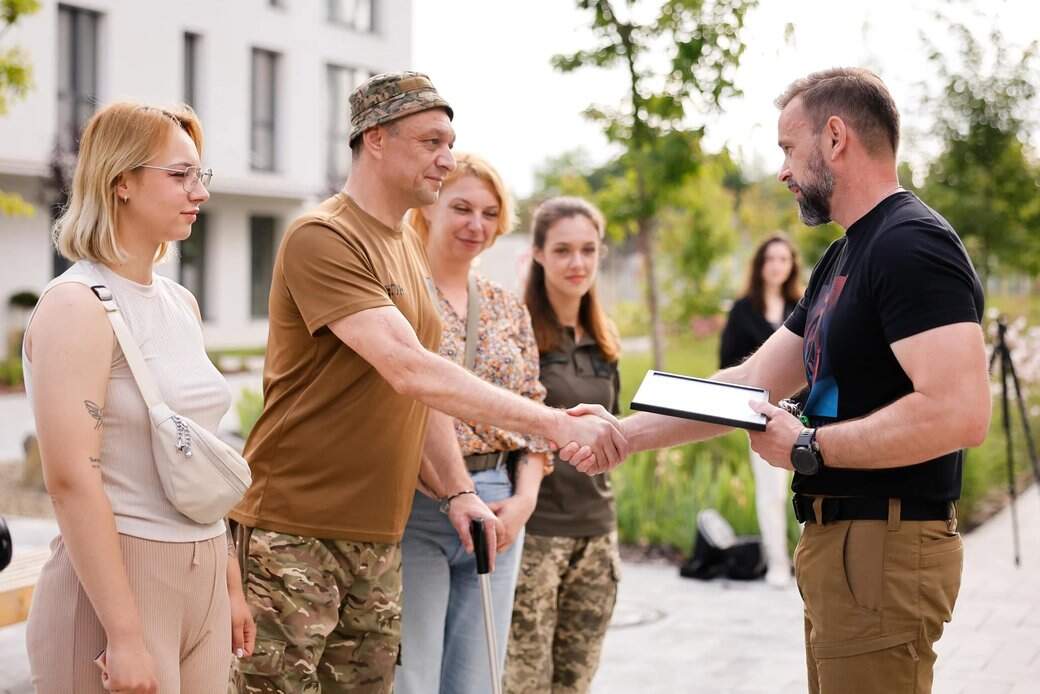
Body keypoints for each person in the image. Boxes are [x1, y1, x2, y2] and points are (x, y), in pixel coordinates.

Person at [566, 68, 990, 694]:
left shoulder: (910, 245)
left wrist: (808, 448)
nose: (783, 171)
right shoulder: (845, 255)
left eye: (790, 149)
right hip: (844, 547)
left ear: (836, 137)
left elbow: (961, 412)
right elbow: (749, 381)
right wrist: (625, 435)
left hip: (885, 548)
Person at [229, 72, 625, 694]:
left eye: (450, 142)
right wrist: (549, 421)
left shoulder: (404, 251)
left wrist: (457, 493)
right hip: (295, 529)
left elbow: (418, 396)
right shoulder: (323, 236)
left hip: (377, 534)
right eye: (432, 141)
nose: (447, 158)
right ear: (377, 139)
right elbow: (408, 366)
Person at [23, 102, 254, 694]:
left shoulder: (180, 303)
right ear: (120, 181)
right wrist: (124, 636)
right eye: (179, 176)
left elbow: (194, 455)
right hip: (119, 581)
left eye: (201, 175)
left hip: (200, 573)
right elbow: (72, 479)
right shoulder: (77, 305)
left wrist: (227, 582)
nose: (198, 193)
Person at [395, 153, 553, 693]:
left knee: (478, 678)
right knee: (413, 676)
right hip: (419, 500)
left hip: (499, 504)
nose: (475, 224)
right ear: (429, 209)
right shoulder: (399, 296)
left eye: (489, 213)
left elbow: (534, 411)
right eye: (461, 207)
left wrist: (524, 501)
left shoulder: (509, 308)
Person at [504, 197, 623, 694]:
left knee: (575, 684)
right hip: (537, 536)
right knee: (525, 684)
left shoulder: (604, 340)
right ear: (537, 254)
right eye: (563, 250)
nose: (578, 263)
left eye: (588, 250)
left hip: (596, 535)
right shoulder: (517, 333)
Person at [719, 234, 803, 587]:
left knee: (807, 487)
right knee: (770, 492)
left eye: (783, 259)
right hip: (759, 412)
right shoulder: (742, 310)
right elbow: (727, 362)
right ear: (760, 265)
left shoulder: (802, 306)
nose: (777, 266)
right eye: (771, 259)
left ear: (791, 265)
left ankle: (810, 559)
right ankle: (777, 563)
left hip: (803, 413)